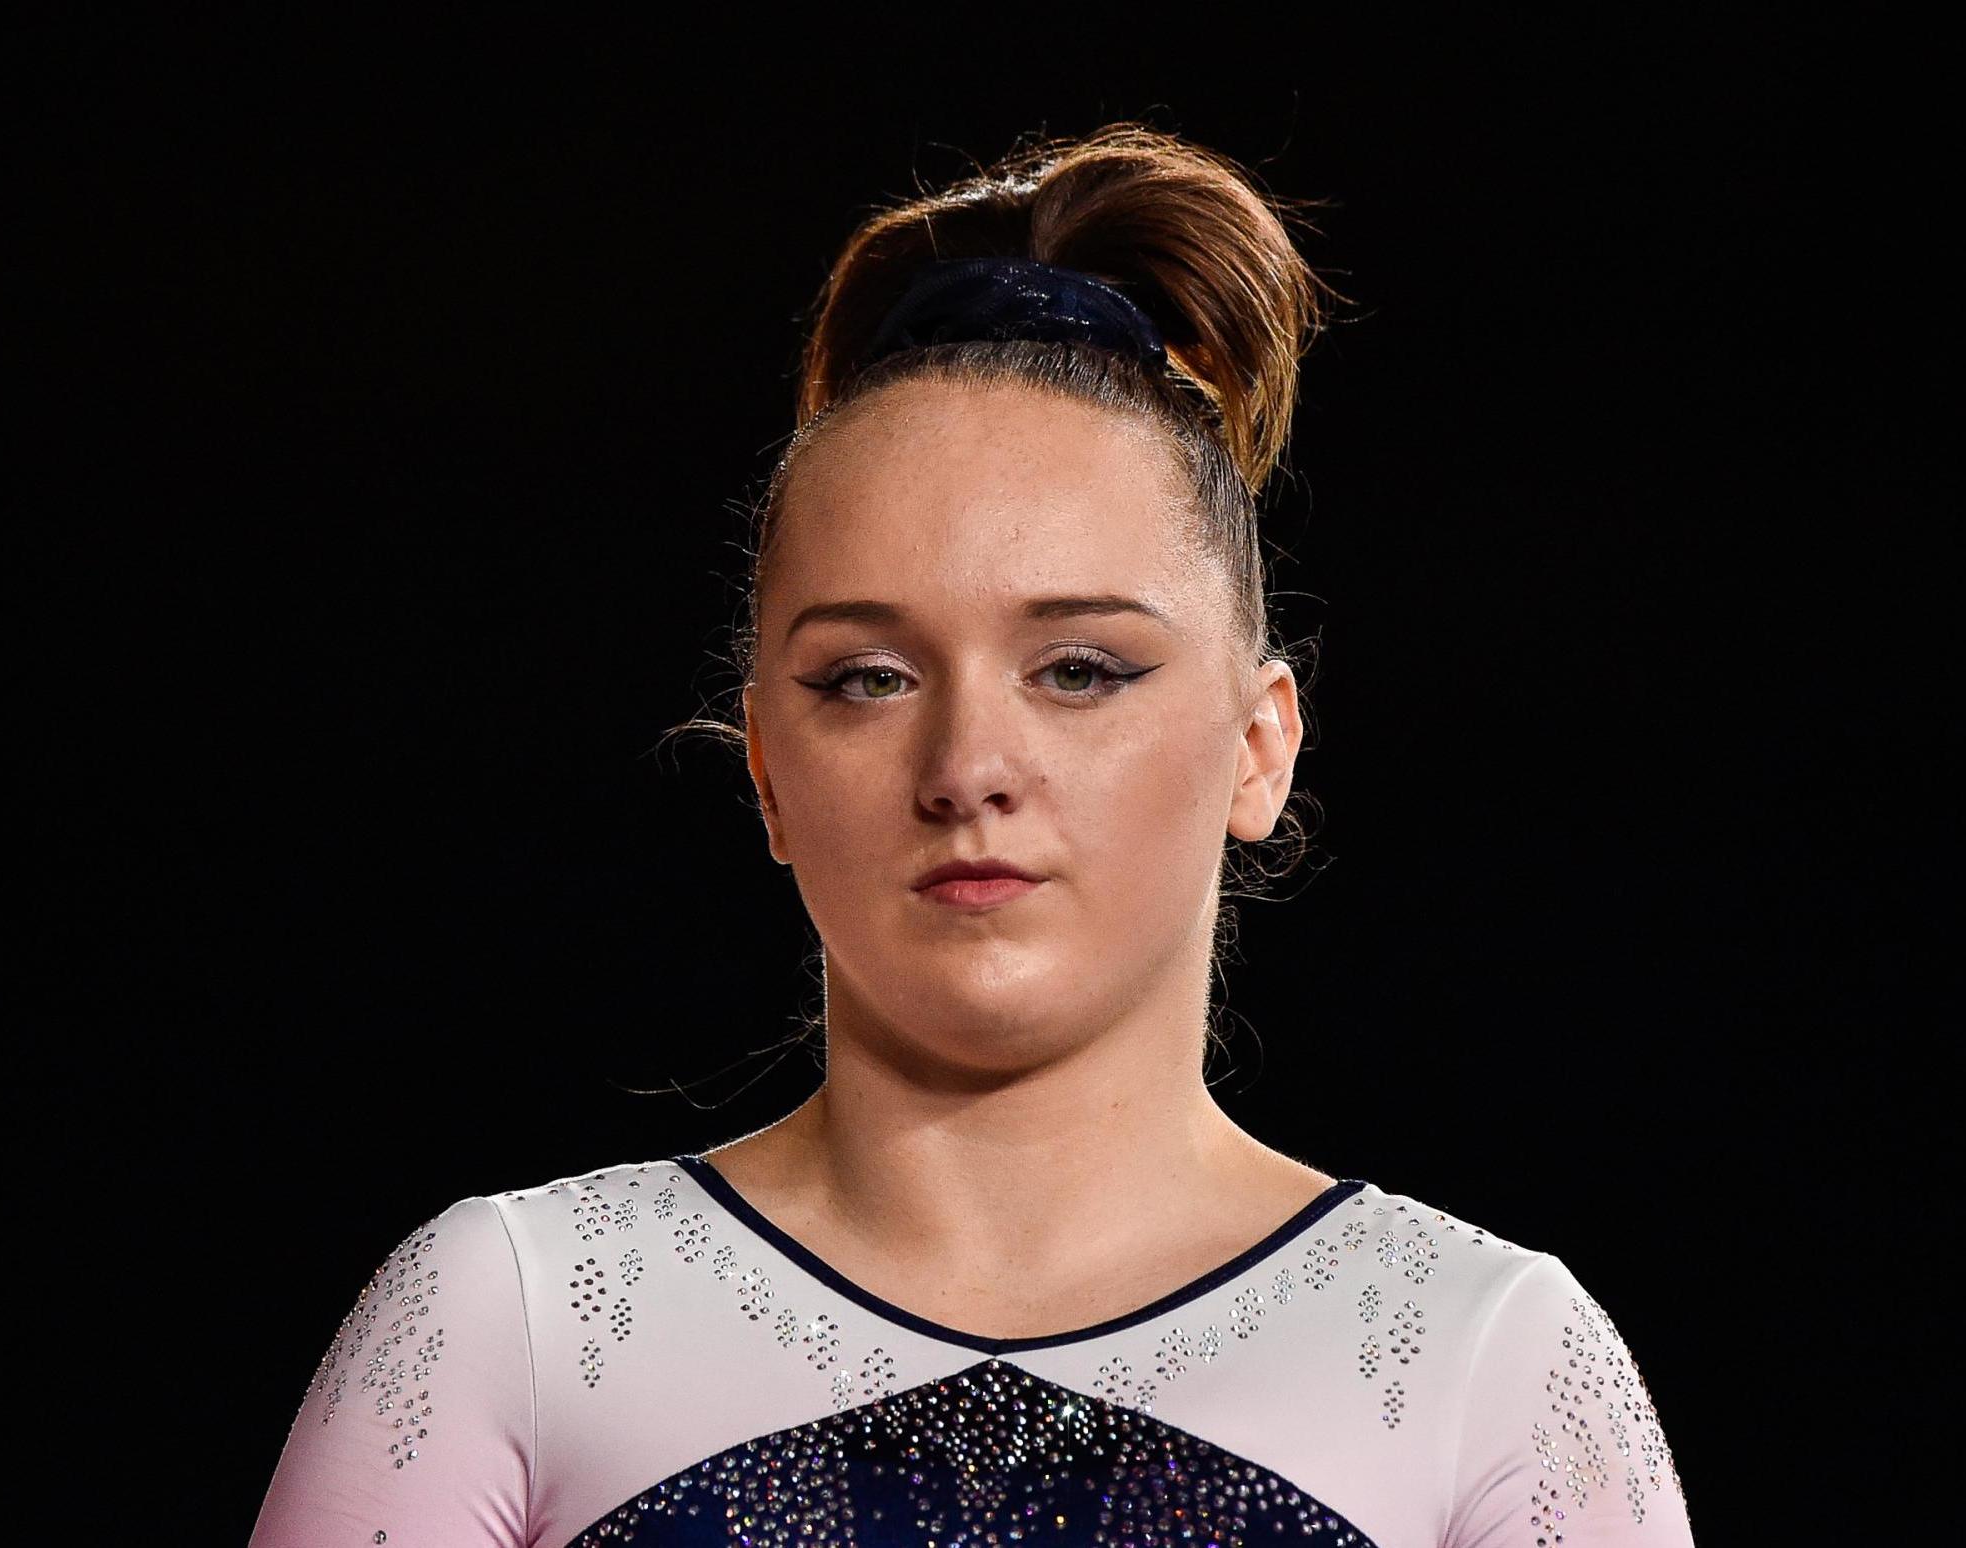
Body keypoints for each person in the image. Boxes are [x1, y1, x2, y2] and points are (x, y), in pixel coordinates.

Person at [247, 122, 1695, 1548]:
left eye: (1079, 669)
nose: (967, 769)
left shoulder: (1483, 1365)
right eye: (867, 679)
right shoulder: (513, 1321)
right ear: (764, 766)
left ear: (1260, 747)